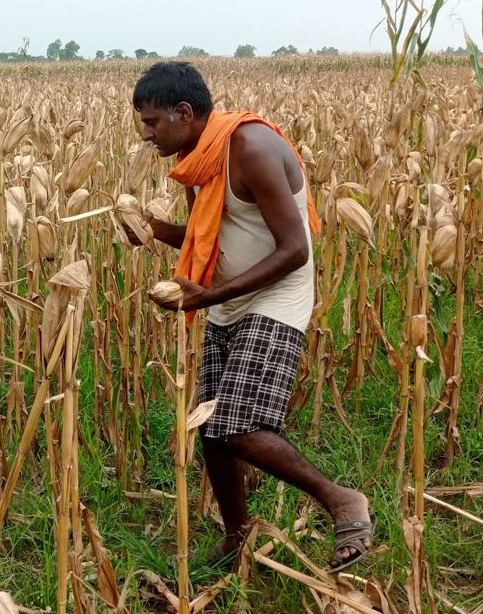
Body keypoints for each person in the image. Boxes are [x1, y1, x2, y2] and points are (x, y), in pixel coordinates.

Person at [122, 61, 373, 573]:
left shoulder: (249, 149)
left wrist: (207, 297)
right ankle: (237, 539)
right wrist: (152, 230)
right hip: (228, 296)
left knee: (236, 425)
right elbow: (210, 229)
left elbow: (295, 250)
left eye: (151, 122)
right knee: (212, 428)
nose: (145, 134)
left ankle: (342, 500)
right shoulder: (201, 156)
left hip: (276, 295)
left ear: (184, 112)